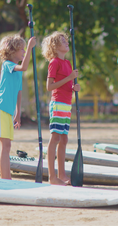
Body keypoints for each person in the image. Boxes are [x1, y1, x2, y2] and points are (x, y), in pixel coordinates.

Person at [0, 35, 36, 180]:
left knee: (8, 146)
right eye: (21, 49)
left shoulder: (17, 73)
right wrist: (30, 47)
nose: (24, 51)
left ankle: (6, 177)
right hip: (1, 108)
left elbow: (19, 92)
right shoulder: (7, 65)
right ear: (11, 51)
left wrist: (18, 112)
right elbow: (24, 66)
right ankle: (6, 178)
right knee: (6, 146)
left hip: (9, 112)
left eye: (24, 49)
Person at [41, 32, 80, 185]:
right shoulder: (54, 62)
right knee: (55, 137)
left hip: (67, 104)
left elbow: (67, 85)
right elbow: (49, 86)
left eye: (66, 40)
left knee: (64, 138)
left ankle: (62, 175)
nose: (66, 43)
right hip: (57, 103)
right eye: (63, 41)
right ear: (55, 46)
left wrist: (74, 87)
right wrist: (69, 78)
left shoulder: (68, 63)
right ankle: (52, 177)